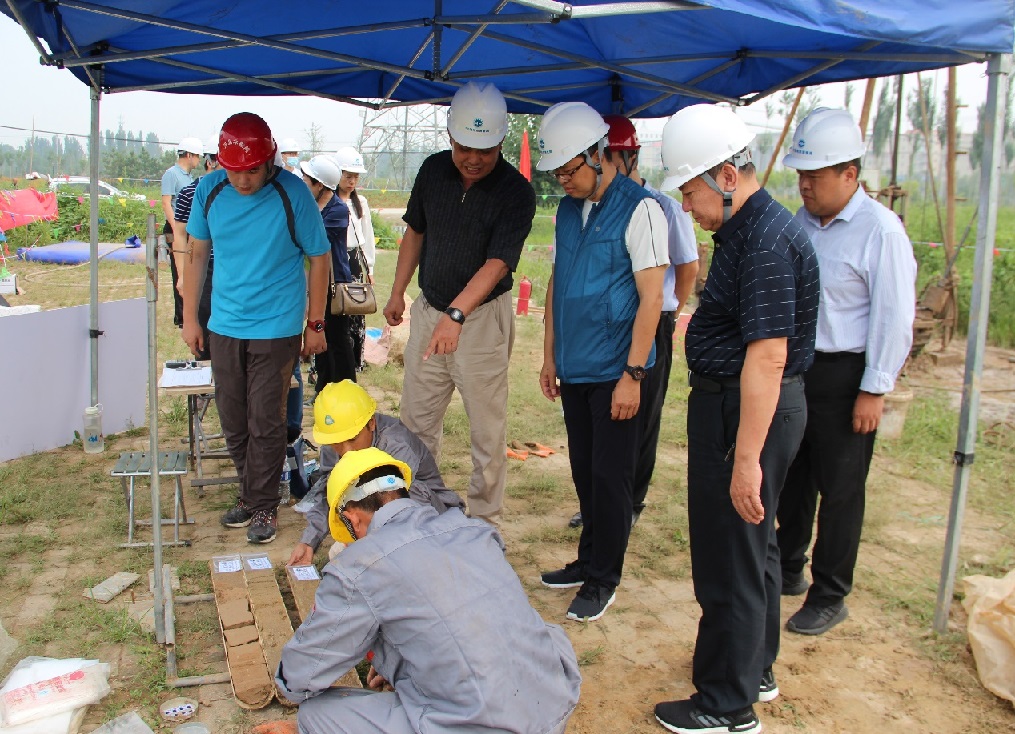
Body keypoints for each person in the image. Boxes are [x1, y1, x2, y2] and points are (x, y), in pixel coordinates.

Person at [652, 104, 819, 734]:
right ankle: (753, 667)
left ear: (726, 175)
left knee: (732, 553)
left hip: (747, 413)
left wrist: (745, 457)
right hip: (741, 406)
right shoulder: (749, 230)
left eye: (691, 191)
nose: (689, 206)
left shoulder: (767, 240)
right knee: (756, 549)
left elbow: (769, 358)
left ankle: (726, 703)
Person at [274, 447, 581, 734]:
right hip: (552, 704)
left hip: (484, 723)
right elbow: (458, 618)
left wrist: (287, 683)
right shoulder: (472, 530)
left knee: (314, 714)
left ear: (353, 517)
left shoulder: (360, 567)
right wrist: (397, 666)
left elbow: (302, 676)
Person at [776, 108, 917, 636]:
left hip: (846, 375)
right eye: (801, 175)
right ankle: (787, 568)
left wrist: (874, 388)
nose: (805, 184)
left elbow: (893, 315)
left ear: (850, 175)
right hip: (800, 370)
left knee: (840, 490)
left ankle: (830, 593)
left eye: (815, 175)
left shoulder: (880, 231)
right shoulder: (798, 223)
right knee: (793, 478)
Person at [536, 102, 668, 622]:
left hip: (618, 370)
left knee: (612, 478)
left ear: (599, 154)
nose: (564, 180)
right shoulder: (568, 211)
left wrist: (632, 376)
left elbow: (652, 299)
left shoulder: (642, 210)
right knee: (585, 472)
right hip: (576, 366)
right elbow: (556, 284)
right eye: (557, 173)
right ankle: (587, 560)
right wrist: (549, 355)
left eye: (571, 169)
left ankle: (603, 578)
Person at [382, 81, 536, 525]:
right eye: (465, 147)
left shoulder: (516, 191)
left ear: (501, 141)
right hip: (430, 310)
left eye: (484, 150)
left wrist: (457, 314)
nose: (473, 158)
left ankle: (484, 522)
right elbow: (415, 231)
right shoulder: (432, 171)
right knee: (415, 424)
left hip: (482, 321)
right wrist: (398, 291)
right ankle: (419, 516)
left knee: (486, 432)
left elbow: (498, 263)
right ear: (450, 137)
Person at [181, 112, 331, 544]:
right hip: (225, 323)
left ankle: (263, 504)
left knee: (265, 418)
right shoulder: (209, 190)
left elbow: (318, 257)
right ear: (219, 163)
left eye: (251, 171)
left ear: (269, 160)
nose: (243, 180)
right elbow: (195, 254)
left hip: (277, 325)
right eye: (234, 170)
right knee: (233, 416)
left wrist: (314, 322)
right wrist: (192, 318)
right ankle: (251, 495)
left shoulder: (292, 193)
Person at [568, 114, 700, 531]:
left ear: (626, 156)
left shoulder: (660, 206)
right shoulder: (589, 207)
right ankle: (602, 506)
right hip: (611, 325)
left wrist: (671, 311)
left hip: (653, 316)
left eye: (613, 156)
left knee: (642, 415)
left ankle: (631, 500)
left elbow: (689, 266)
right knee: (608, 424)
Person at [287, 379, 463, 567]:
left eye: (352, 439)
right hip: (377, 511)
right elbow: (330, 493)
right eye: (336, 442)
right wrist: (308, 541)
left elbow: (393, 504)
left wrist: (362, 545)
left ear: (371, 424)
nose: (346, 450)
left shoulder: (396, 444)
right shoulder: (336, 438)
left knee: (398, 491)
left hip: (430, 512)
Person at [299, 155, 357, 392]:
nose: (302, 184)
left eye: (306, 180)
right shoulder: (312, 207)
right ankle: (323, 389)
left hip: (334, 285)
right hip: (315, 282)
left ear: (319, 185)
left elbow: (311, 240)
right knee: (319, 338)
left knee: (337, 340)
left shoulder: (337, 211)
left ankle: (347, 390)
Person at [171, 138, 220, 360]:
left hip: (228, 267)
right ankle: (204, 380)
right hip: (203, 268)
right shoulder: (189, 193)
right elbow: (180, 237)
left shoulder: (236, 192)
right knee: (203, 325)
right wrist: (182, 275)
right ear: (210, 162)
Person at [333, 146, 375, 370]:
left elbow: (367, 236)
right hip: (335, 258)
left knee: (357, 307)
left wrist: (370, 268)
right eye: (348, 176)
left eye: (355, 177)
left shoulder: (361, 204)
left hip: (356, 259)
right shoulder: (328, 202)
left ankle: (355, 359)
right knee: (335, 307)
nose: (352, 181)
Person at [161, 136, 203, 327]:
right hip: (177, 227)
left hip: (188, 227)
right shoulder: (172, 174)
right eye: (197, 156)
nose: (199, 161)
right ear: (189, 155)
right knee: (179, 271)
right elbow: (166, 202)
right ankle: (181, 315)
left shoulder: (189, 178)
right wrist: (177, 226)